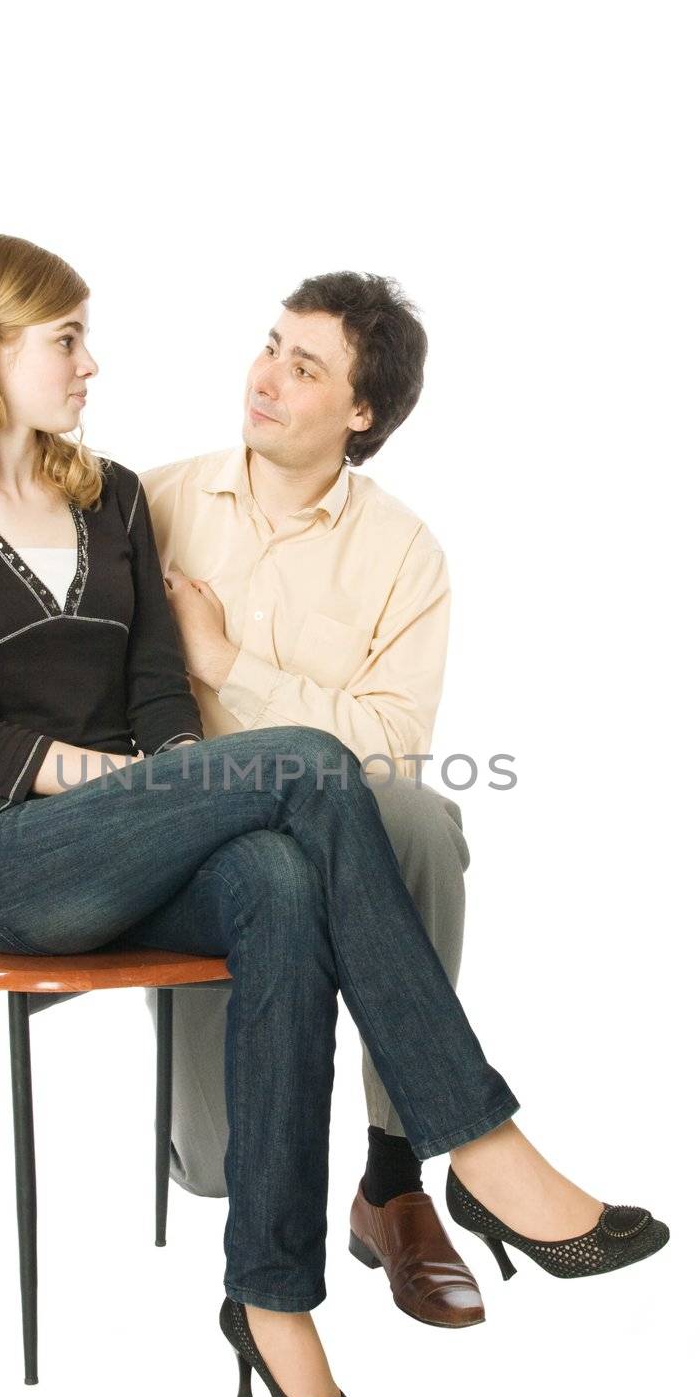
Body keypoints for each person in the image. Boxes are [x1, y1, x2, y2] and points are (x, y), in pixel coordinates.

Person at [0, 234, 669, 1397]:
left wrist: (176, 765)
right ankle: (480, 1148)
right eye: (66, 339)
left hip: (152, 841)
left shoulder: (114, 495)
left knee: (290, 867)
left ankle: (272, 1302)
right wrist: (145, 778)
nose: (91, 362)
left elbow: (162, 695)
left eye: (82, 336)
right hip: (6, 852)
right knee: (304, 761)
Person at [141, 272, 485, 1328]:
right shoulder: (148, 504)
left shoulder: (404, 555)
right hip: (198, 849)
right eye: (269, 347)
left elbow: (390, 753)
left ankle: (393, 1177)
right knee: (216, 1167)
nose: (267, 379)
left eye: (306, 366)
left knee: (424, 821)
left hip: (346, 833)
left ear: (361, 411)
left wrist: (228, 664)